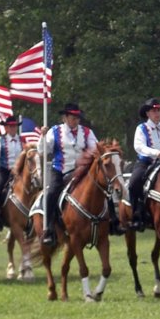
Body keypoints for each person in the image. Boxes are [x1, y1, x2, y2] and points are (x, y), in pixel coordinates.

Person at [38, 103, 98, 246]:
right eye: (72, 117)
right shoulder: (54, 131)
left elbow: (96, 148)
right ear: (65, 117)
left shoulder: (87, 132)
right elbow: (42, 151)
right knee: (51, 193)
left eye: (77, 117)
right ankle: (49, 229)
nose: (75, 120)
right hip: (60, 171)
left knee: (101, 187)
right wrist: (43, 136)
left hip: (81, 172)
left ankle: (112, 221)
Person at [128, 98, 160, 231]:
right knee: (133, 183)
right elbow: (139, 146)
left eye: (159, 110)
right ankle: (136, 215)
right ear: (147, 113)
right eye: (154, 111)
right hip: (146, 162)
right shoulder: (141, 128)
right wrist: (155, 152)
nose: (157, 113)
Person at [0, 115, 22, 230]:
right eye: (10, 126)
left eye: (14, 126)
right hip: (4, 171)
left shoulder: (22, 141)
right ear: (6, 128)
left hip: (20, 173)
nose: (13, 128)